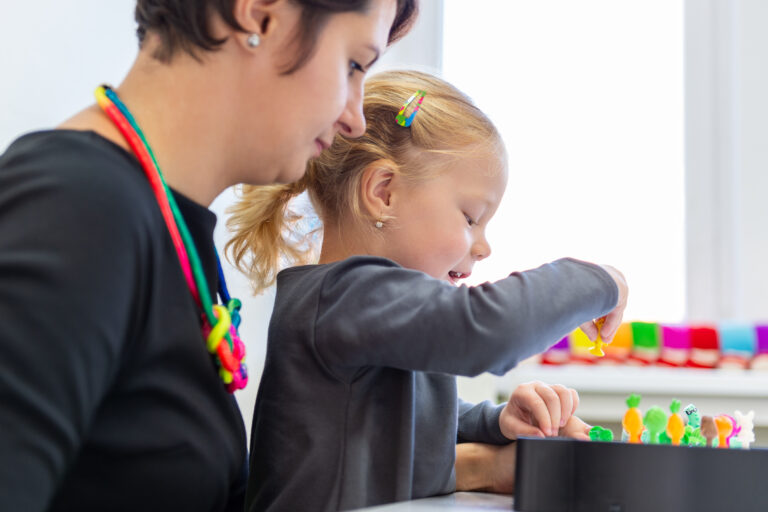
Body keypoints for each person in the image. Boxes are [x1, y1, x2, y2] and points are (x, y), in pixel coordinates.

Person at [0, 1, 417, 511]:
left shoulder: (174, 226)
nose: (354, 117)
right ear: (260, 15)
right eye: (354, 64)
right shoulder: (80, 206)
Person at [227, 69, 629, 511]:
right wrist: (601, 280)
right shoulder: (345, 295)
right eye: (470, 218)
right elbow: (487, 330)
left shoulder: (366, 304)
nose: (483, 246)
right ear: (384, 193)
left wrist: (496, 422)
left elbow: (409, 421)